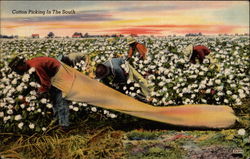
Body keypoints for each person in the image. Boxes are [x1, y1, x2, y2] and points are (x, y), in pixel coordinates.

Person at [8, 56, 70, 129]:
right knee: (54, 100)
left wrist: (38, 94)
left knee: (60, 100)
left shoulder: (35, 66)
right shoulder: (30, 64)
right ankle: (57, 120)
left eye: (17, 69)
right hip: (53, 74)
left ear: (21, 65)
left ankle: (64, 125)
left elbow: (46, 83)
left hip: (60, 75)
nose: (17, 71)